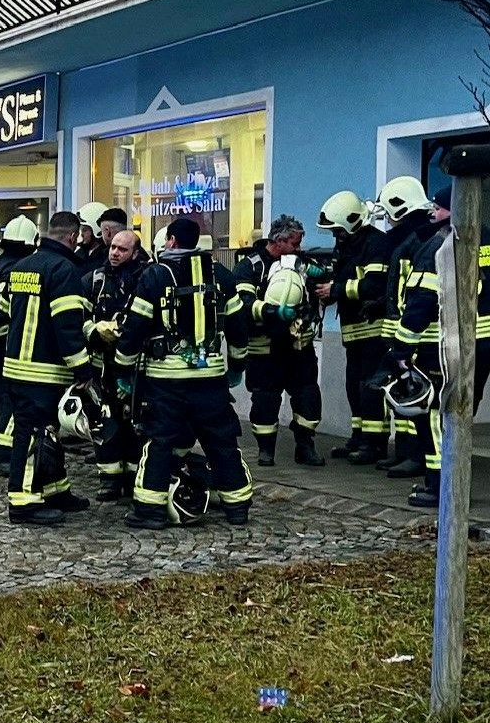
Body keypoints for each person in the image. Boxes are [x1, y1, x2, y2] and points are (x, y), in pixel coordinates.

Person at [114, 217, 254, 529]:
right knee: (221, 441)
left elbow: (135, 328)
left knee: (160, 441)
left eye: (167, 241)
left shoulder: (155, 276)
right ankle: (238, 507)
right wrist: (237, 368)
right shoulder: (222, 275)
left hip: (166, 381)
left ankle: (150, 511)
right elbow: (239, 328)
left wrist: (122, 369)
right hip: (212, 380)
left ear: (173, 241)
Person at [387, 186, 490, 508]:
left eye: (438, 209)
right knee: (464, 413)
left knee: (436, 415)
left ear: (454, 210)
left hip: (446, 346)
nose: (432, 214)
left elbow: (421, 303)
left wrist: (399, 350)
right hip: (487, 340)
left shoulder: (437, 247)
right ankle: (455, 485)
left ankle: (441, 489)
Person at [0, 211, 94, 526]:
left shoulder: (22, 266)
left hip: (16, 367)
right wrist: (82, 367)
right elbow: (67, 324)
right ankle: (23, 501)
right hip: (42, 372)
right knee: (31, 435)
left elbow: (3, 314)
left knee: (48, 435)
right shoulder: (63, 270)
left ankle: (55, 490)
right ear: (72, 237)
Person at [232, 214, 328, 467]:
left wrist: (323, 278)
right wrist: (271, 312)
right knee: (265, 401)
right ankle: (266, 450)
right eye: (295, 244)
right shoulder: (251, 266)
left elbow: (323, 288)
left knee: (308, 397)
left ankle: (305, 447)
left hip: (299, 347)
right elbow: (243, 305)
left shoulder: (301, 263)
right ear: (280, 241)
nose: (299, 250)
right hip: (265, 348)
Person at [315, 190, 391, 465]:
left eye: (337, 229)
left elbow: (375, 285)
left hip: (374, 330)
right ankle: (359, 438)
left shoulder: (376, 244)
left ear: (351, 221)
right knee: (354, 386)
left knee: (371, 389)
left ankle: (375, 444)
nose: (335, 235)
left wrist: (337, 289)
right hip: (354, 331)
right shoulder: (347, 246)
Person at [374, 175, 439, 477]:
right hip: (401, 328)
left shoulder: (419, 239)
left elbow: (415, 292)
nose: (387, 220)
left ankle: (415, 455)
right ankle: (405, 451)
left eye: (389, 213)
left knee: (416, 396)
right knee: (401, 392)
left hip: (416, 333)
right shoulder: (410, 238)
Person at [84, 227, 149, 500]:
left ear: (135, 253)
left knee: (136, 423)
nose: (114, 253)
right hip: (103, 365)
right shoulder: (95, 279)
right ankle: (109, 480)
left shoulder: (147, 278)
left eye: (122, 249)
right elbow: (78, 316)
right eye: (112, 248)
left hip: (137, 367)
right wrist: (95, 330)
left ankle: (135, 477)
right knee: (104, 421)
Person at [0, 216, 38, 475]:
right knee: (11, 399)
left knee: (6, 396)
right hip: (1, 341)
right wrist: (4, 344)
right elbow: (1, 314)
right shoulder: (17, 270)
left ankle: (4, 449)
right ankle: (3, 452)